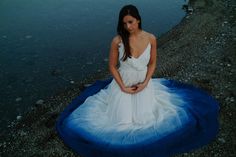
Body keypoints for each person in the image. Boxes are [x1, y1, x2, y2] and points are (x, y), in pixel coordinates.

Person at [56, 5, 219, 157]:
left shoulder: (151, 38)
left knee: (146, 119)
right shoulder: (117, 41)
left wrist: (146, 82)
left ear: (138, 20)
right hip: (123, 83)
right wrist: (123, 88)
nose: (128, 26)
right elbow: (112, 67)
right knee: (121, 122)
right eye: (124, 23)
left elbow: (152, 63)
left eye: (131, 22)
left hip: (143, 82)